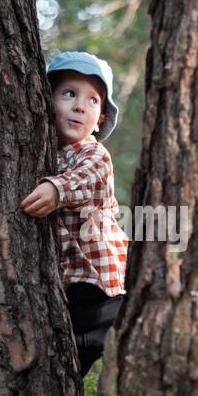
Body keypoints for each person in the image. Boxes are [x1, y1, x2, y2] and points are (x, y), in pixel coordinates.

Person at [20, 51, 129, 376]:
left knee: (89, 359)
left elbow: (90, 178)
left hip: (101, 289)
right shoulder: (44, 153)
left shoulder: (93, 153)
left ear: (99, 120)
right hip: (70, 288)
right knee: (66, 367)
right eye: (69, 94)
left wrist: (57, 190)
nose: (80, 105)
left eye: (93, 100)